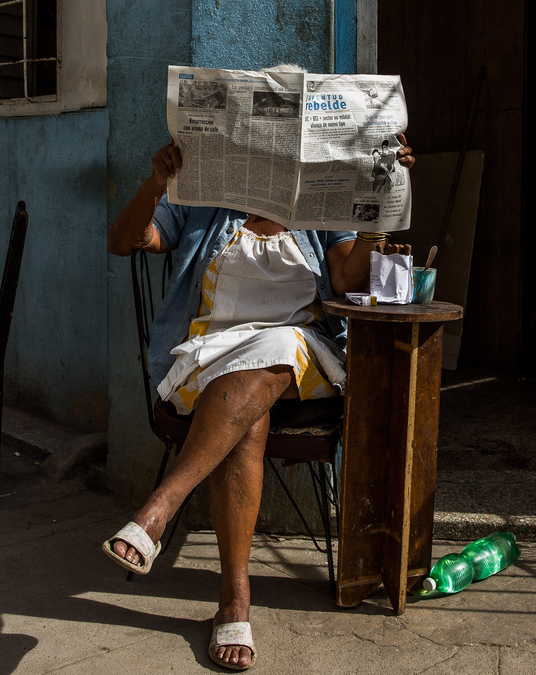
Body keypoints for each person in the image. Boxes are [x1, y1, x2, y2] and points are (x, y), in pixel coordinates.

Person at [105, 105, 414, 670]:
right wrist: (155, 185)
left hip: (302, 353)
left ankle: (161, 509)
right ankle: (233, 601)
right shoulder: (201, 201)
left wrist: (384, 198)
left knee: (273, 351)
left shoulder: (321, 205)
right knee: (245, 417)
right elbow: (124, 242)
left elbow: (346, 278)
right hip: (207, 356)